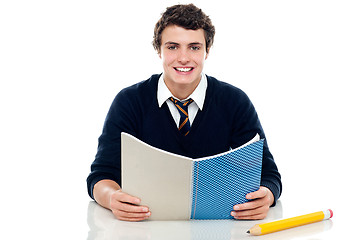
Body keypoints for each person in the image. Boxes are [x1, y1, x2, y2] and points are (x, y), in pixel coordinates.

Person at [87, 3, 282, 222]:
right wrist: (112, 197)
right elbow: (101, 175)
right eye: (172, 47)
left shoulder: (234, 102)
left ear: (207, 51)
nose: (183, 58)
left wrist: (266, 195)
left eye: (194, 47)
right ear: (158, 49)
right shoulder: (129, 102)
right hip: (145, 229)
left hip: (219, 228)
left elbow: (268, 175)